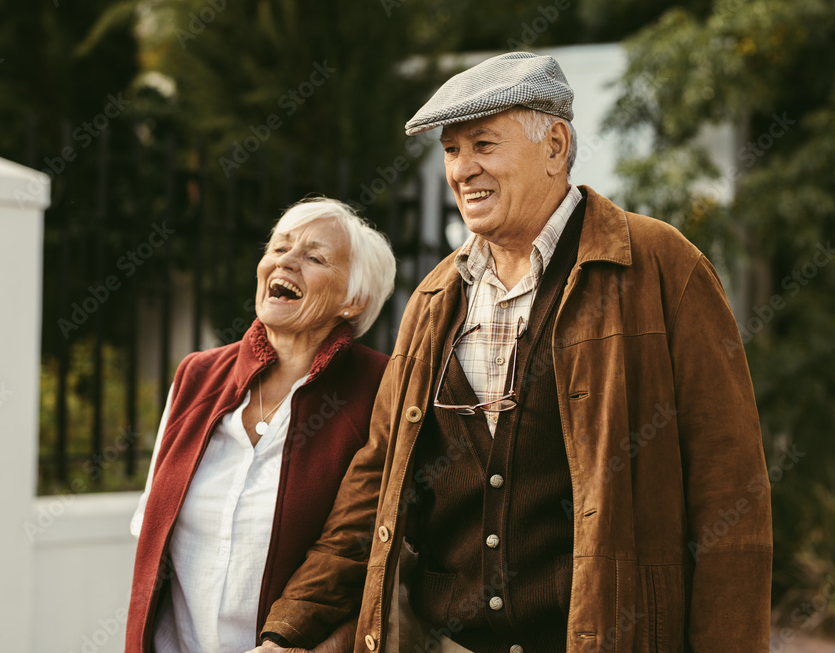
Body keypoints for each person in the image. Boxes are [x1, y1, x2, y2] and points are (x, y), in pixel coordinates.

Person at [253, 52, 772, 652]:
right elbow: (376, 486)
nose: (462, 170)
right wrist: (288, 631)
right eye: (451, 150)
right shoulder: (434, 299)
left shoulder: (661, 266)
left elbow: (730, 497)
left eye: (484, 144)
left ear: (555, 146)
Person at [124, 196, 396, 653]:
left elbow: (371, 559)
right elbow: (152, 539)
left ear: (354, 300)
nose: (286, 261)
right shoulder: (196, 376)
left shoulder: (382, 389)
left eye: (314, 257)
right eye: (279, 247)